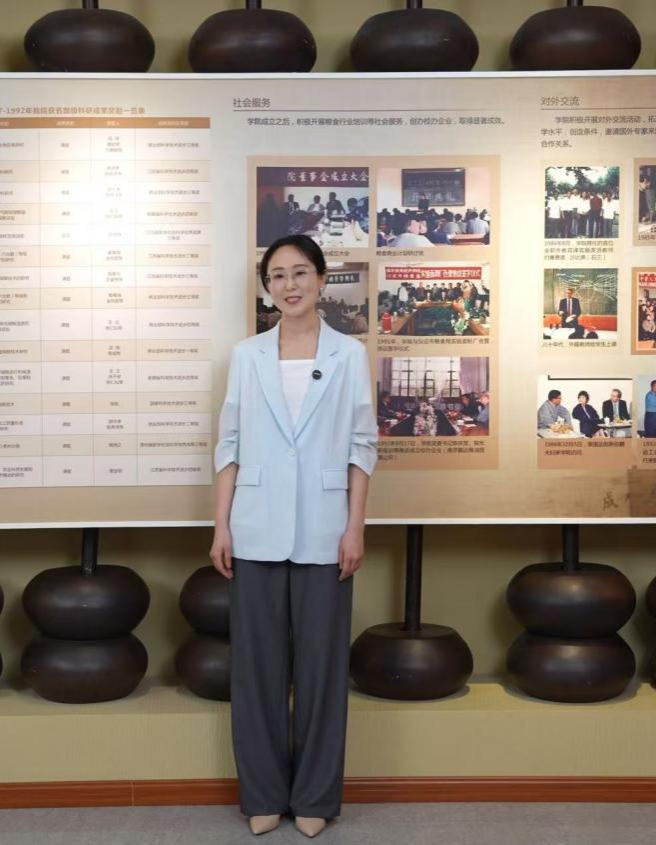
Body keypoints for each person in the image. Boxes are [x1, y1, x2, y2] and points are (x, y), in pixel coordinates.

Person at [209, 234, 376, 839]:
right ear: (267, 288)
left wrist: (355, 526)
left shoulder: (349, 355)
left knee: (322, 671)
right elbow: (229, 443)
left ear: (322, 279)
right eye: (276, 275)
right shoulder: (246, 355)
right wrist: (221, 524)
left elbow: (362, 445)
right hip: (253, 525)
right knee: (255, 670)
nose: (289, 284)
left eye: (300, 272)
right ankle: (261, 793)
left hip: (326, 531)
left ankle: (314, 796)